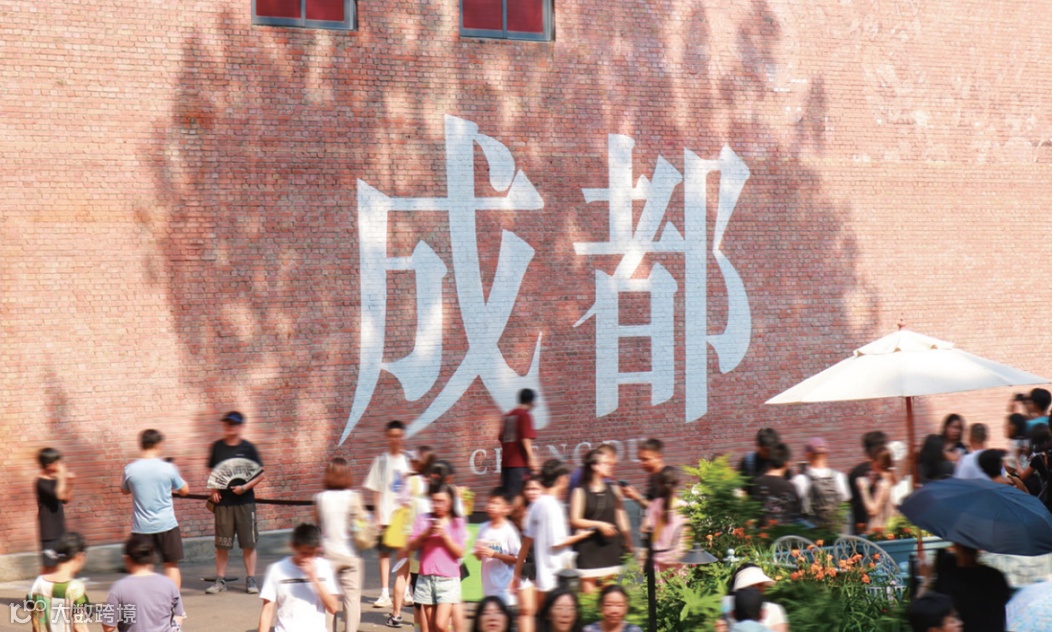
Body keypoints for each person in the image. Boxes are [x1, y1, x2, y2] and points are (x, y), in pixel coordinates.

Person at [513, 460, 592, 604]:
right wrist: (582, 536)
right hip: (558, 575)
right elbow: (556, 543)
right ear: (562, 479)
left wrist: (516, 574)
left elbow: (526, 543)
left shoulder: (536, 504)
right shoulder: (554, 506)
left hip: (543, 577)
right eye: (567, 477)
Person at [205, 410, 265, 595]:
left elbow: (260, 474)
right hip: (223, 504)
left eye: (233, 424)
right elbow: (212, 471)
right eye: (227, 423)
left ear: (241, 426)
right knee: (222, 545)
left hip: (245, 503)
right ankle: (220, 580)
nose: (229, 427)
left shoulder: (248, 448)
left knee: (248, 543)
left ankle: (251, 579)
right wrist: (214, 489)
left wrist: (245, 487)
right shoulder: (217, 447)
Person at [121, 428, 190, 588]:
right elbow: (184, 491)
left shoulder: (130, 469)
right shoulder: (168, 468)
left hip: (141, 527)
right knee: (171, 565)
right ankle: (173, 601)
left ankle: (145, 599)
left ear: (141, 445)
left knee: (142, 566)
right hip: (167, 524)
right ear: (159, 444)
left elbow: (124, 490)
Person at [363, 419, 412, 609]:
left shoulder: (409, 460)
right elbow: (375, 488)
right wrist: (377, 514)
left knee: (404, 554)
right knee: (384, 554)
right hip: (385, 514)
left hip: (404, 516)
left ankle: (405, 591)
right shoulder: (381, 461)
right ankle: (384, 593)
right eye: (391, 436)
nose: (395, 440)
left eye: (398, 436)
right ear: (386, 437)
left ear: (403, 437)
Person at [406, 483, 467, 632]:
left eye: (442, 501)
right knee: (430, 627)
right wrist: (426, 533)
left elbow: (460, 552)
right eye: (434, 501)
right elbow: (411, 546)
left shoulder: (457, 522)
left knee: (440, 624)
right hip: (425, 578)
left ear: (450, 502)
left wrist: (445, 536)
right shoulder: (423, 519)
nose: (437, 505)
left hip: (448, 580)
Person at [257, 523, 340, 632]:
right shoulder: (277, 570)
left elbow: (333, 607)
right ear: (293, 546)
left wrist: (314, 578)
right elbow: (267, 610)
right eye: (303, 553)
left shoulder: (324, 567)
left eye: (311, 554)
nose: (307, 558)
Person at [315, 458, 365, 632]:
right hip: (350, 553)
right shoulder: (354, 497)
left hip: (327, 554)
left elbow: (318, 523)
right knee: (352, 599)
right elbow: (361, 525)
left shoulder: (320, 498)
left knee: (329, 598)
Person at [570, 449, 631, 592]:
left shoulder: (614, 489)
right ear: (595, 466)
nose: (610, 466)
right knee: (589, 595)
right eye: (605, 463)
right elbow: (574, 520)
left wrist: (628, 541)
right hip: (589, 548)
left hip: (611, 546)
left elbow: (621, 516)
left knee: (611, 592)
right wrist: (599, 524)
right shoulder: (580, 491)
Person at [100, 534, 186, 632]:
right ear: (153, 558)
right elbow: (178, 615)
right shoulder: (169, 584)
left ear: (127, 559)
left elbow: (108, 627)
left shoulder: (119, 588)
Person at [931, 543, 1010, 632]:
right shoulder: (995, 576)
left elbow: (935, 611)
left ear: (957, 547)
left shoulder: (949, 580)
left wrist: (927, 580)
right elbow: (1004, 600)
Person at [26, 531, 90, 632]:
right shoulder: (75, 588)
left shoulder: (38, 583)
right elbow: (79, 626)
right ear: (79, 557)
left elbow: (35, 622)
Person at [790, 437, 850, 533]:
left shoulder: (800, 479)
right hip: (837, 534)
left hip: (814, 536)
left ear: (807, 454)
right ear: (827, 454)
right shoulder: (839, 477)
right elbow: (845, 503)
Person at [474, 487, 521, 607]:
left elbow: (519, 558)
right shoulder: (482, 528)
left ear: (506, 508)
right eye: (489, 502)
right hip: (488, 587)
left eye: (496, 503)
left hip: (504, 588)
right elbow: (478, 557)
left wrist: (495, 554)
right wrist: (478, 552)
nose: (491, 506)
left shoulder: (509, 530)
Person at [642, 466, 689, 574]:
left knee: (660, 585)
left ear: (659, 483)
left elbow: (645, 528)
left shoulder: (654, 505)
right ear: (677, 483)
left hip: (659, 557)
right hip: (679, 557)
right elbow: (688, 534)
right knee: (680, 585)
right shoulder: (683, 506)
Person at [512, 477, 544, 632]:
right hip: (526, 567)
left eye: (535, 489)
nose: (532, 492)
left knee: (541, 611)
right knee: (526, 610)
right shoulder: (519, 512)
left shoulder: (548, 510)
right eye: (529, 489)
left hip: (544, 567)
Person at [36, 447, 75, 572]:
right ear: (48, 465)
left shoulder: (55, 479)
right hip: (48, 529)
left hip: (60, 526)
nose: (60, 465)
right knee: (49, 565)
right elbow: (58, 494)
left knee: (61, 564)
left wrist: (71, 484)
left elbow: (65, 499)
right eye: (57, 462)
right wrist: (62, 476)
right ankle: (41, 584)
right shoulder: (41, 482)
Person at [717, 564, 788, 632]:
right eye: (752, 585)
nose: (756, 589)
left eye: (760, 585)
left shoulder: (774, 609)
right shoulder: (727, 605)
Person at [748, 443, 801, 525]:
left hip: (761, 531)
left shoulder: (756, 484)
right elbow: (797, 516)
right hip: (784, 532)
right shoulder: (790, 487)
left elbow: (751, 513)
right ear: (787, 463)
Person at [500, 388, 539, 496]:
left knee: (508, 497)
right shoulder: (524, 415)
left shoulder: (508, 416)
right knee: (519, 497)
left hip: (506, 465)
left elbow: (501, 437)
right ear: (531, 402)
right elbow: (525, 438)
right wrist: (531, 458)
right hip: (519, 465)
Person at [848, 431, 887, 534]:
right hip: (883, 530)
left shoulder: (855, 472)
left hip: (860, 529)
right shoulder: (885, 474)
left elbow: (850, 501)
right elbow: (873, 510)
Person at [857, 446, 896, 531]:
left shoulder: (884, 484)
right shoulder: (891, 480)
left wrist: (863, 488)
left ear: (877, 463)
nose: (870, 466)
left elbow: (873, 511)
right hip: (890, 529)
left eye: (871, 462)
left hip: (881, 532)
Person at [621, 438, 665, 511]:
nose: (642, 463)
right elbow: (649, 505)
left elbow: (660, 510)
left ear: (659, 457)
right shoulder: (653, 477)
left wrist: (636, 496)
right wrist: (634, 494)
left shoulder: (665, 478)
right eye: (640, 459)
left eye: (645, 459)